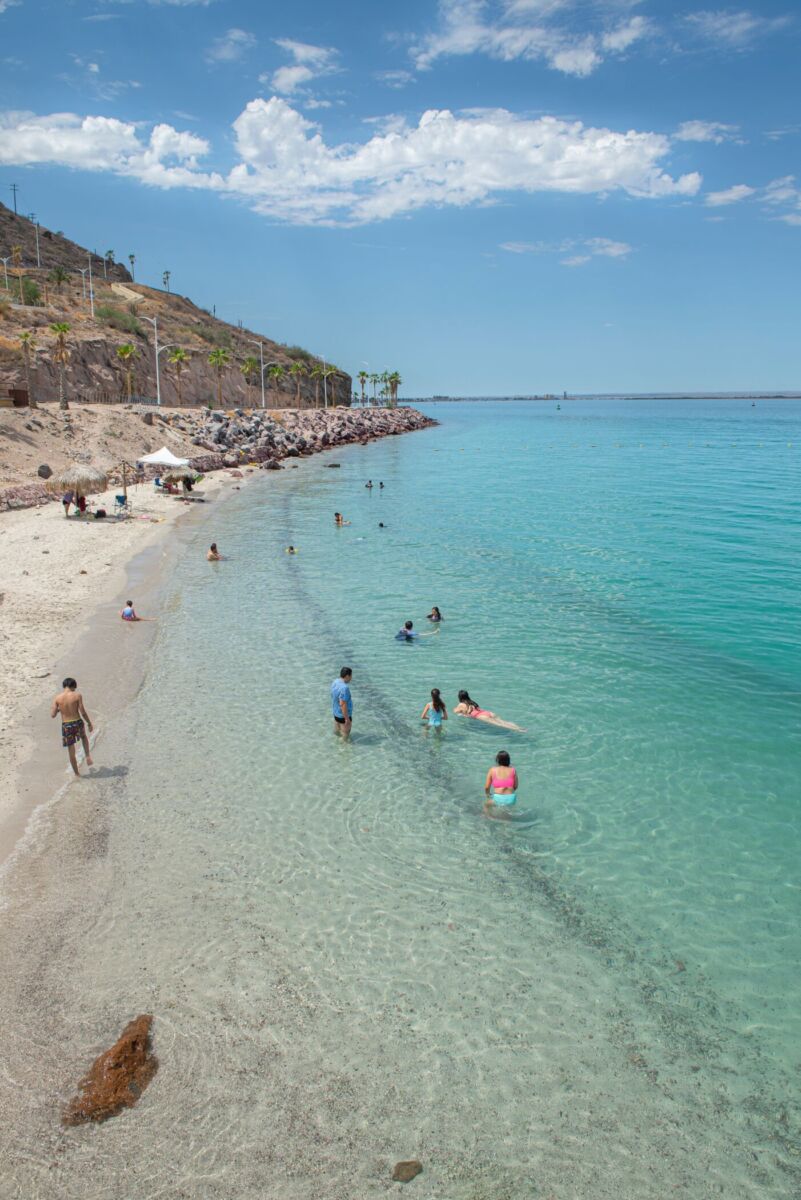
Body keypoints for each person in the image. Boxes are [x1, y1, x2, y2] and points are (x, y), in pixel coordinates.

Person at [51, 677, 94, 777]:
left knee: (71, 750)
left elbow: (52, 715)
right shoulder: (77, 695)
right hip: (77, 722)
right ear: (73, 686)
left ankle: (77, 774)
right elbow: (82, 712)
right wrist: (89, 723)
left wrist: (59, 709)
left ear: (64, 686)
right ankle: (87, 756)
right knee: (83, 737)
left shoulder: (57, 698)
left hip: (66, 725)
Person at [453, 690, 525, 731]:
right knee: (503, 721)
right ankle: (519, 727)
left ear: (460, 697)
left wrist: (458, 710)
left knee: (500, 724)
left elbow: (455, 711)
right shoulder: (472, 702)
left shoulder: (461, 704)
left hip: (481, 716)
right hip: (486, 712)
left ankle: (518, 730)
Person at [331, 667, 353, 739]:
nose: (351, 678)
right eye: (351, 676)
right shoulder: (344, 688)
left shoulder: (335, 682)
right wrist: (347, 719)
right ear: (347, 676)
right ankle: (344, 745)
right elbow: (343, 704)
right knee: (345, 736)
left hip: (336, 713)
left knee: (337, 733)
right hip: (343, 716)